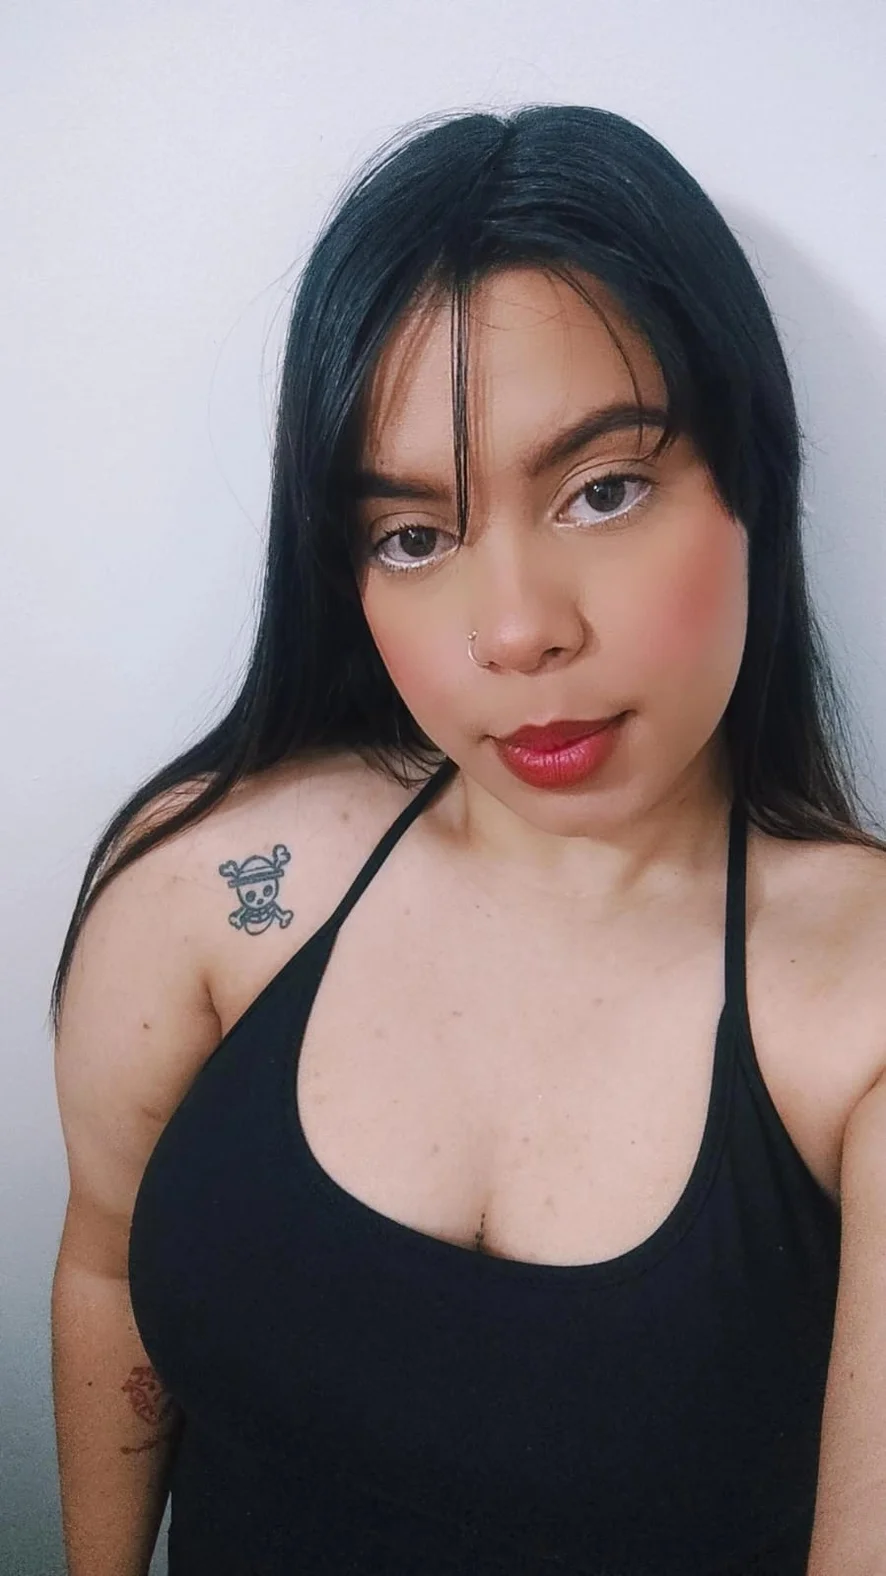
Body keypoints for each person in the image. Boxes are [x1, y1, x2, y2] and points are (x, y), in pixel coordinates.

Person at [49, 105, 886, 1576]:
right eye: (413, 536)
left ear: (751, 482)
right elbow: (106, 1270)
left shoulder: (858, 1003)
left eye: (603, 491)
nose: (513, 631)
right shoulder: (214, 890)